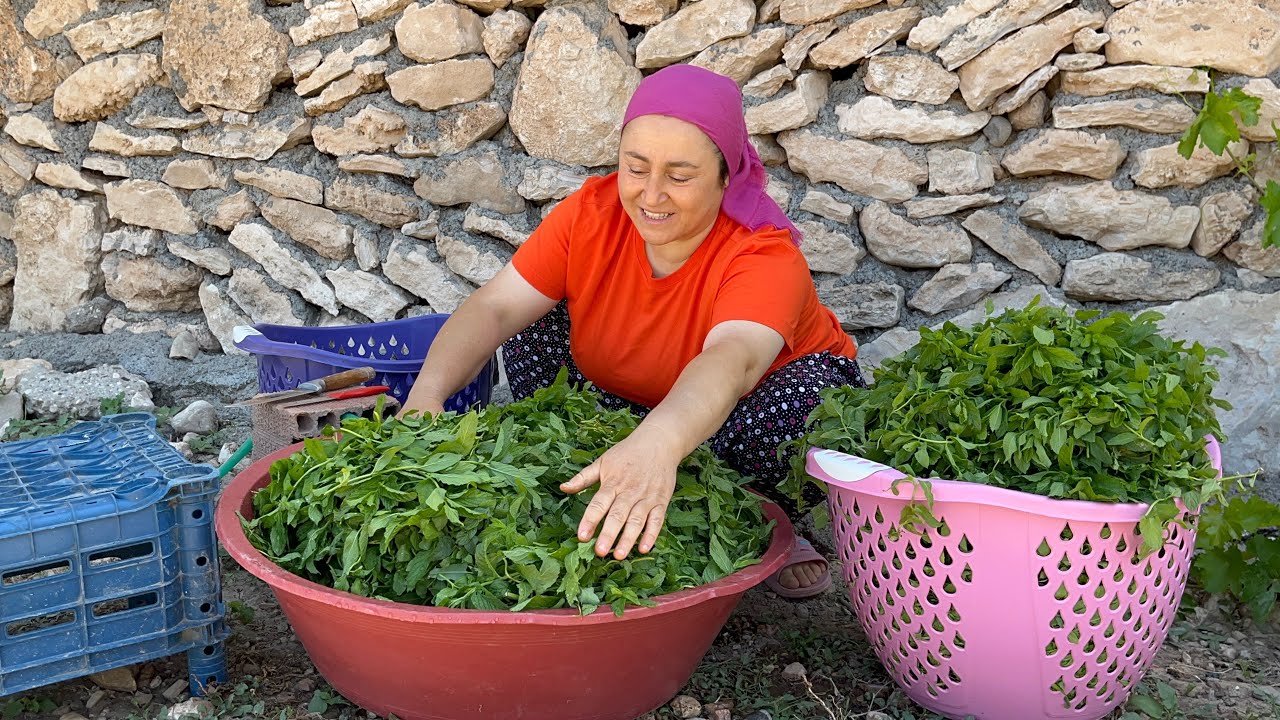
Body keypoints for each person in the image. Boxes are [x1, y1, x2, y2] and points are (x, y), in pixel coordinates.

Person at [400, 64, 867, 599]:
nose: (652, 195)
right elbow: (497, 308)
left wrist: (659, 444)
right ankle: (617, 473)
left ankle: (766, 519)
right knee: (535, 318)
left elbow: (732, 359)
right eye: (635, 167)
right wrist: (427, 396)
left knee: (807, 400)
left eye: (680, 175)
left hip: (738, 409)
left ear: (726, 174)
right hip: (628, 398)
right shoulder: (590, 215)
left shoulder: (763, 253)